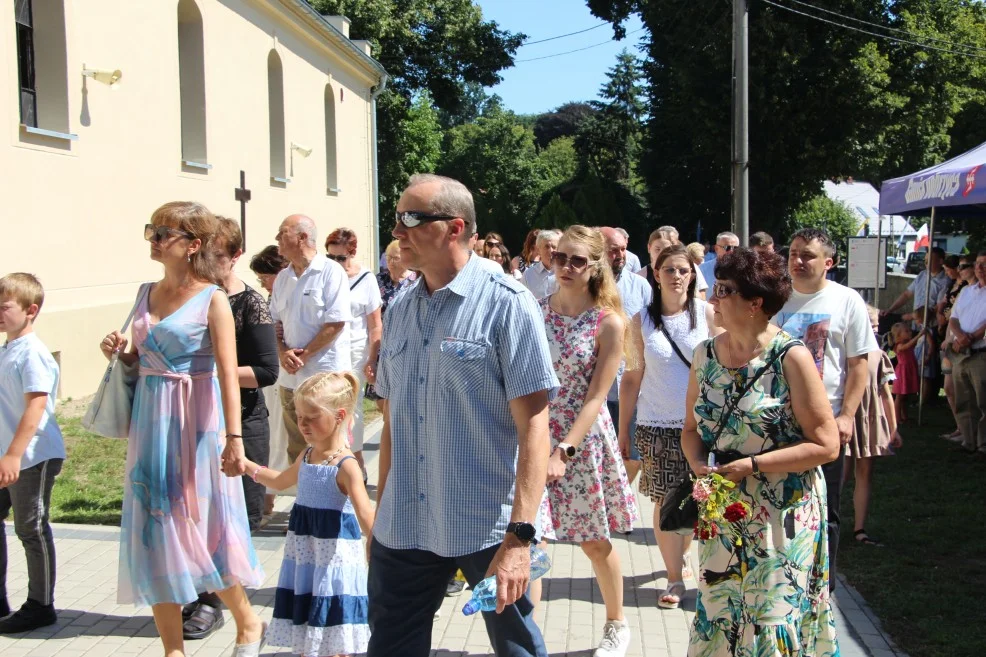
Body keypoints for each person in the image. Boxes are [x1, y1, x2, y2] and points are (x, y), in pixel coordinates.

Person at [369, 174, 558, 657]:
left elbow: (535, 427)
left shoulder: (507, 305)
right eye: (396, 219)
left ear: (455, 228)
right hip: (406, 522)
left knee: (517, 649)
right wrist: (380, 518)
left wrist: (521, 537)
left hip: (486, 525)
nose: (397, 231)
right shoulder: (401, 310)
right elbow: (392, 423)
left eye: (410, 219)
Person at [99, 202, 265, 657]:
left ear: (193, 245)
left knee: (202, 526)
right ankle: (173, 649)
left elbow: (229, 375)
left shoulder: (213, 298)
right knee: (153, 531)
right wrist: (123, 354)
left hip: (196, 424)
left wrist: (234, 441)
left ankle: (248, 620)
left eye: (164, 232)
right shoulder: (143, 291)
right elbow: (144, 357)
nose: (154, 238)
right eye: (151, 229)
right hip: (151, 424)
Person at [682, 248, 841, 656]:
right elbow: (690, 430)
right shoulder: (705, 355)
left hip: (780, 516)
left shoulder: (791, 357)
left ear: (756, 303)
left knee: (770, 614)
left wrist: (753, 464)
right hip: (724, 509)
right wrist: (699, 465)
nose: (712, 299)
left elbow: (826, 444)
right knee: (721, 608)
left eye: (724, 290)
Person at [537, 226, 638, 657]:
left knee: (594, 541)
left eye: (577, 260)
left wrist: (565, 449)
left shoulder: (609, 321)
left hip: (581, 441)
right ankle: (526, 639)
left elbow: (598, 396)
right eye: (560, 257)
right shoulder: (534, 311)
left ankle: (617, 624)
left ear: (597, 265)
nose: (566, 267)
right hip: (534, 434)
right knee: (529, 537)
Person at [180, 219, 280, 641]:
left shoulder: (249, 303)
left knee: (235, 516)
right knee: (196, 511)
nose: (204, 262)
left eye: (214, 254)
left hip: (242, 420)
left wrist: (210, 372)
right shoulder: (190, 300)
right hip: (196, 417)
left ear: (234, 255)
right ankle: (205, 594)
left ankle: (215, 600)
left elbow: (266, 371)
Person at [772, 228, 877, 592]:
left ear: (828, 263)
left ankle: (823, 585)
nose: (798, 261)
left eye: (808, 256)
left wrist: (846, 415)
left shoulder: (847, 301)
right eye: (794, 254)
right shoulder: (776, 299)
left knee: (826, 506)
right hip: (775, 422)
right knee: (776, 503)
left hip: (825, 423)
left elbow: (859, 363)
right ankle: (779, 578)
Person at [246, 371, 374, 657]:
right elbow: (280, 481)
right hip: (306, 559)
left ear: (339, 416)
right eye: (299, 415)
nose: (302, 424)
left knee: (333, 636)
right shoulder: (307, 454)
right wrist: (247, 466)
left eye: (312, 417)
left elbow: (366, 514)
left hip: (333, 564)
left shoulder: (346, 465)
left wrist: (377, 550)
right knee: (309, 632)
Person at [619, 245, 718, 610]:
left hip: (702, 427)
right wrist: (623, 427)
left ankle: (683, 559)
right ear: (655, 275)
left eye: (683, 270)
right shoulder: (639, 320)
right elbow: (631, 377)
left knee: (696, 501)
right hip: (656, 424)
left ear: (692, 276)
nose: (676, 276)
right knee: (665, 502)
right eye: (669, 270)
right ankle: (674, 577)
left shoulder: (706, 314)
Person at [0, 273, 64, 634]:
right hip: (6, 455)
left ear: (31, 310)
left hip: (32, 457)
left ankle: (41, 605)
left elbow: (35, 407)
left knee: (31, 528)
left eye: (4, 307)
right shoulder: (6, 350)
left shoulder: (33, 353)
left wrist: (13, 455)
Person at [272, 215, 352, 463]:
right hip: (291, 378)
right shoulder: (283, 278)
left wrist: (303, 355)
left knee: (330, 445)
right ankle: (304, 498)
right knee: (297, 446)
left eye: (282, 232)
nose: (277, 239)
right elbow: (275, 323)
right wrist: (283, 352)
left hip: (324, 377)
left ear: (302, 237)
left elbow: (336, 322)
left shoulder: (331, 272)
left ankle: (336, 499)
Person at [325, 228, 382, 480]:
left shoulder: (366, 278)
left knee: (353, 408)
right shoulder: (326, 276)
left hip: (356, 351)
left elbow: (375, 324)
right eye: (331, 258)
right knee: (330, 407)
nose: (336, 263)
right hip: (329, 350)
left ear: (352, 253)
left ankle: (356, 457)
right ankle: (334, 458)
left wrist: (373, 357)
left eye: (340, 258)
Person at [599, 227, 652, 489]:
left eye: (622, 249)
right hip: (594, 387)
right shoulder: (584, 286)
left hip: (630, 384)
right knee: (599, 454)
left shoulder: (640, 286)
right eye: (613, 250)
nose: (620, 255)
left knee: (632, 455)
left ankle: (616, 500)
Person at [850, 306, 902, 547]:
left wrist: (893, 428)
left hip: (869, 417)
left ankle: (859, 527)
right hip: (846, 416)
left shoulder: (879, 355)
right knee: (836, 473)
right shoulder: (844, 351)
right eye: (868, 324)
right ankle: (829, 522)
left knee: (865, 473)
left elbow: (885, 393)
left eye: (875, 326)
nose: (872, 329)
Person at [249, 245, 291, 514]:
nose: (263, 282)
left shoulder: (291, 297)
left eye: (266, 276)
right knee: (273, 437)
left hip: (289, 373)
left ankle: (274, 496)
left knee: (284, 438)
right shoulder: (266, 301)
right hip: (271, 378)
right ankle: (266, 499)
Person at [365, 240, 417, 412]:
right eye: (388, 257)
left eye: (395, 257)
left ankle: (394, 429)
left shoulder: (416, 281)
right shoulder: (378, 280)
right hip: (381, 345)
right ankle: (389, 423)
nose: (391, 262)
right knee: (380, 396)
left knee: (401, 395)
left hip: (406, 345)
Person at [947, 251, 986, 455]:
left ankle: (983, 443)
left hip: (981, 353)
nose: (980, 268)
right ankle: (968, 440)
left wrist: (970, 338)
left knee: (983, 400)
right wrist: (960, 336)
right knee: (964, 399)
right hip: (961, 352)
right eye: (978, 264)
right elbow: (953, 318)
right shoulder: (967, 292)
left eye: (984, 265)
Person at [939, 254, 974, 442]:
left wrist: (957, 337)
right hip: (950, 340)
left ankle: (966, 431)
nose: (959, 270)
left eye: (964, 266)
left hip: (960, 342)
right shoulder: (960, 288)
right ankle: (961, 428)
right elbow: (953, 317)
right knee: (951, 388)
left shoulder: (968, 290)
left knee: (957, 389)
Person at [891, 322, 920, 422]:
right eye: (906, 331)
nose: (909, 332)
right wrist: (919, 335)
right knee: (900, 396)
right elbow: (907, 346)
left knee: (905, 396)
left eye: (909, 330)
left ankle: (905, 416)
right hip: (902, 372)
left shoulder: (909, 343)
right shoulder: (899, 345)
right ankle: (897, 418)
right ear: (898, 335)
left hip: (909, 370)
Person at [521, 229, 561, 300]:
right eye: (547, 247)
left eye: (554, 247)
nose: (551, 250)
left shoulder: (565, 272)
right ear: (538, 250)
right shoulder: (528, 275)